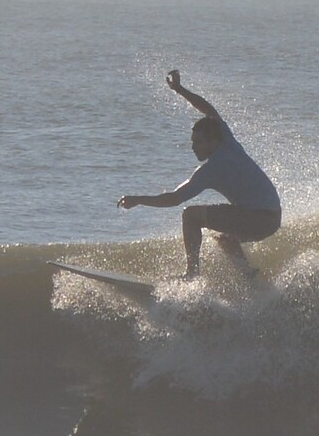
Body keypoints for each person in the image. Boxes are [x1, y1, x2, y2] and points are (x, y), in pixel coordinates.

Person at [119, 70, 281, 279]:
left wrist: (138, 200)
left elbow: (174, 199)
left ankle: (191, 273)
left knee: (191, 215)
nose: (193, 147)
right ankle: (249, 276)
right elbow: (208, 109)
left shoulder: (212, 169)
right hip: (273, 217)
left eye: (198, 142)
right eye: (192, 142)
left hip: (257, 218)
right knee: (225, 238)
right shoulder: (228, 141)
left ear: (213, 142)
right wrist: (180, 90)